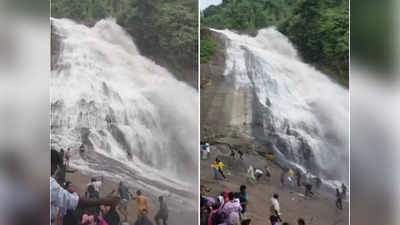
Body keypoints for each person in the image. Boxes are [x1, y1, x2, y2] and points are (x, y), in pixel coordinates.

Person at [51, 150, 119, 224]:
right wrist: (106, 201)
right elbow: (76, 202)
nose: (55, 170)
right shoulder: (52, 185)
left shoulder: (89, 185)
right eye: (55, 165)